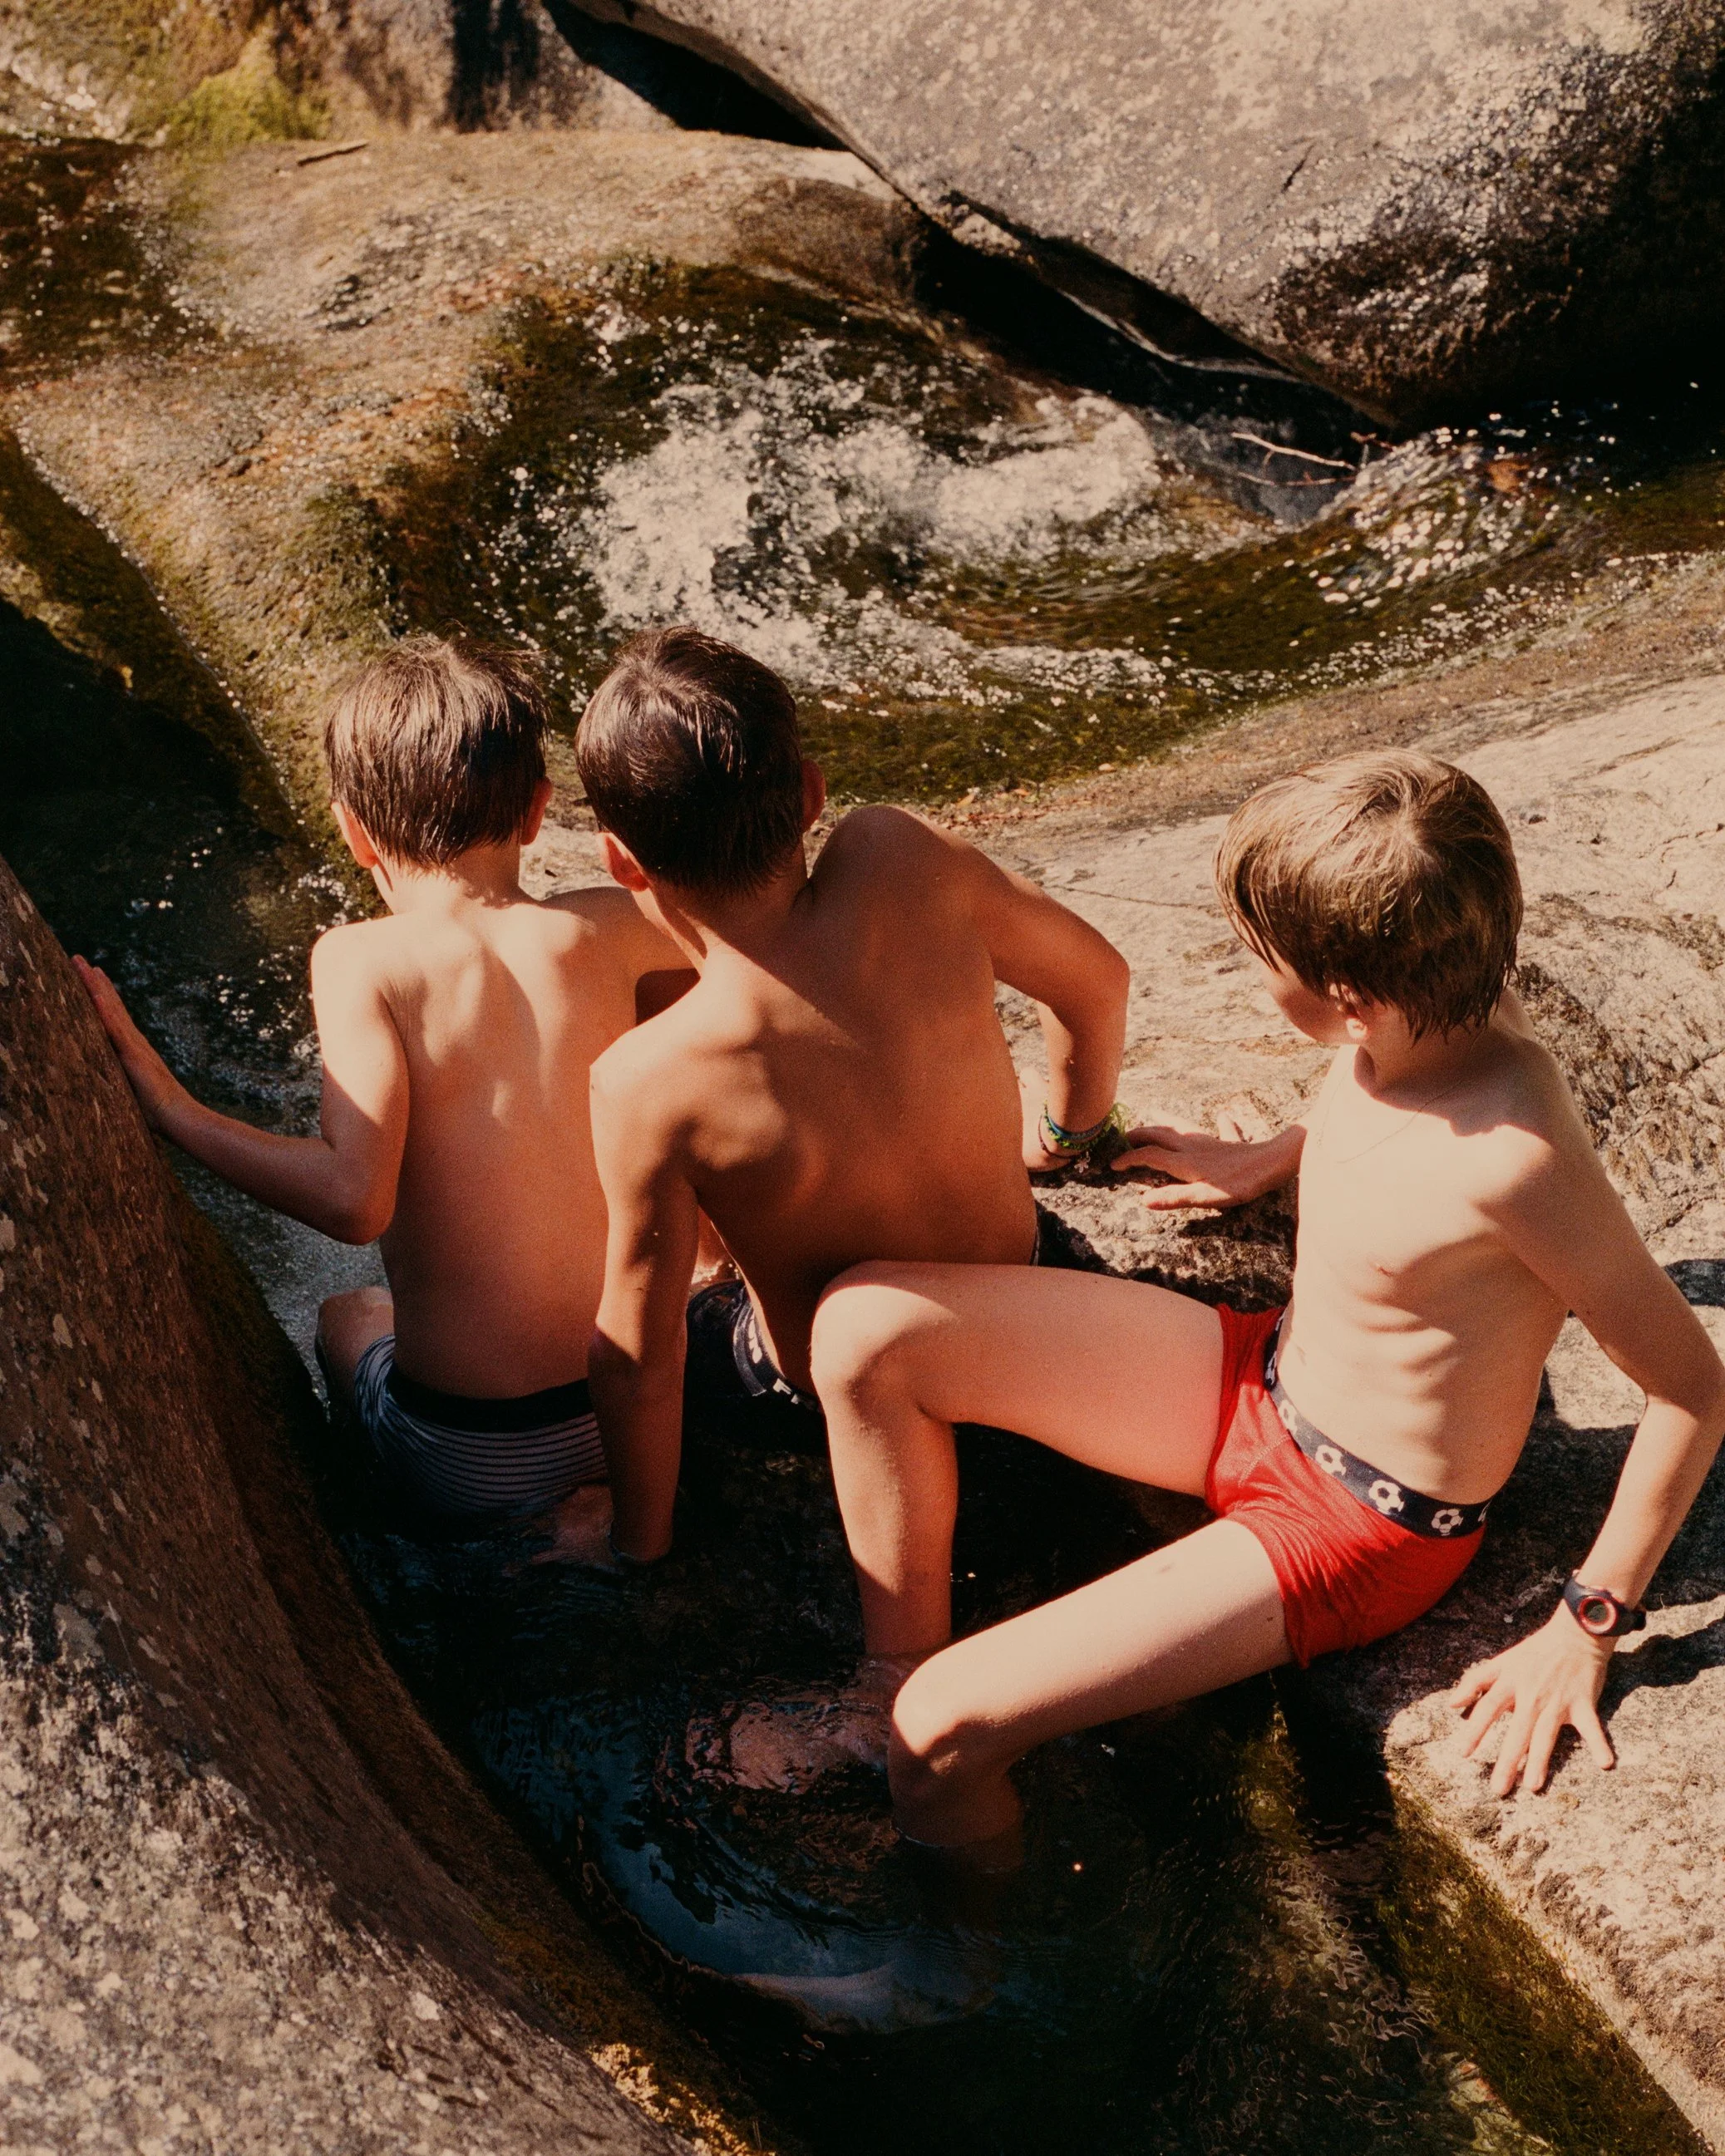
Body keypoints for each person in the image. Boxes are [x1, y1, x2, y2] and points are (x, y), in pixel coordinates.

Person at [809, 751, 1725, 1863]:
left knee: (943, 1732)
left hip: (1354, 1522)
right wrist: (1285, 1151)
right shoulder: (1425, 1007)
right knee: (864, 1329)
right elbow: (1389, 1112)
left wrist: (1585, 1624)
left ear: (1349, 1003)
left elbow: (1688, 1390)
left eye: (1261, 963)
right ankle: (884, 1673)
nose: (1251, 978)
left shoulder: (1515, 1159)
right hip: (1257, 1379)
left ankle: (964, 1956)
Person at [77, 636, 687, 1528]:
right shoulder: (622, 926)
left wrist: (175, 1111)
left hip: (470, 1448)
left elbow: (355, 1199)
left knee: (347, 1313)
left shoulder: (362, 959)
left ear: (352, 831)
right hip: (646, 1412)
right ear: (535, 811)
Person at [559, 626, 1131, 1573]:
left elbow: (637, 1355)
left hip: (826, 1398)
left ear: (620, 861)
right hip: (1027, 1287)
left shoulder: (645, 1080)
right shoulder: (903, 854)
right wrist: (1069, 1134)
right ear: (814, 794)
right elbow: (1097, 982)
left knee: (701, 1324)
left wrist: (634, 1544)